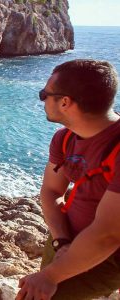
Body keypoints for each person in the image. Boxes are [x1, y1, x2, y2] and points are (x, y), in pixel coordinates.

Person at [16, 59, 120, 300]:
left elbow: (108, 235)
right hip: (62, 238)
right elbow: (51, 191)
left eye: (45, 94)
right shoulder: (64, 139)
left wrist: (50, 277)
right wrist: (61, 241)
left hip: (105, 254)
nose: (42, 99)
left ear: (65, 102)